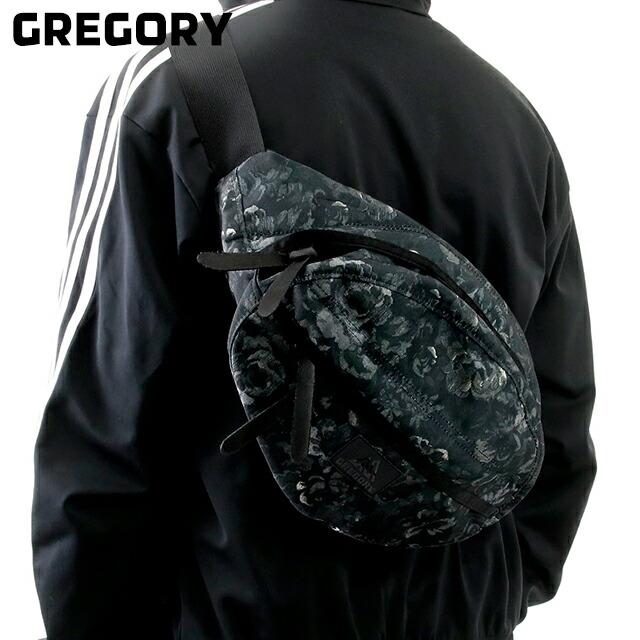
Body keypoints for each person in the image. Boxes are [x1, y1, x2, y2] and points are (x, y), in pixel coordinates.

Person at [32, 1, 596, 638]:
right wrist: (490, 601)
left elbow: (102, 430)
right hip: (460, 615)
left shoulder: (181, 78)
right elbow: (558, 426)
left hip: (237, 613)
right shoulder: (515, 121)